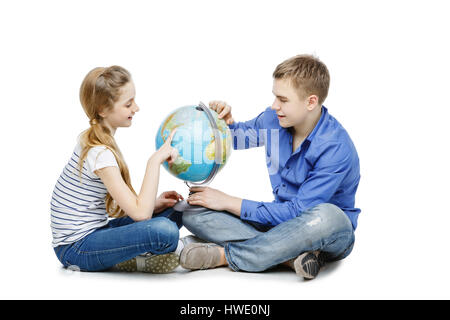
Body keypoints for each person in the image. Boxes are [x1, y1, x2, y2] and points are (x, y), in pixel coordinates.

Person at [180, 54, 361, 280]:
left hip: (323, 230)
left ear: (311, 102)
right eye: (275, 97)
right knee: (191, 211)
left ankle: (227, 256)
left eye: (283, 100)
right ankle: (288, 257)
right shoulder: (273, 119)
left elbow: (299, 212)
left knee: (328, 215)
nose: (275, 105)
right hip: (278, 223)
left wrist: (228, 201)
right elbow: (233, 139)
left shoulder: (335, 147)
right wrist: (220, 122)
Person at [51, 66, 184, 273]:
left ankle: (126, 254)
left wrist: (155, 204)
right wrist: (155, 161)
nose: (136, 108)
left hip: (95, 231)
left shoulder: (96, 139)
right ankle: (132, 259)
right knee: (165, 231)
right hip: (75, 249)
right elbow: (141, 214)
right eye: (128, 104)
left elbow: (137, 208)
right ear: (103, 110)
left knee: (176, 210)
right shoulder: (99, 153)